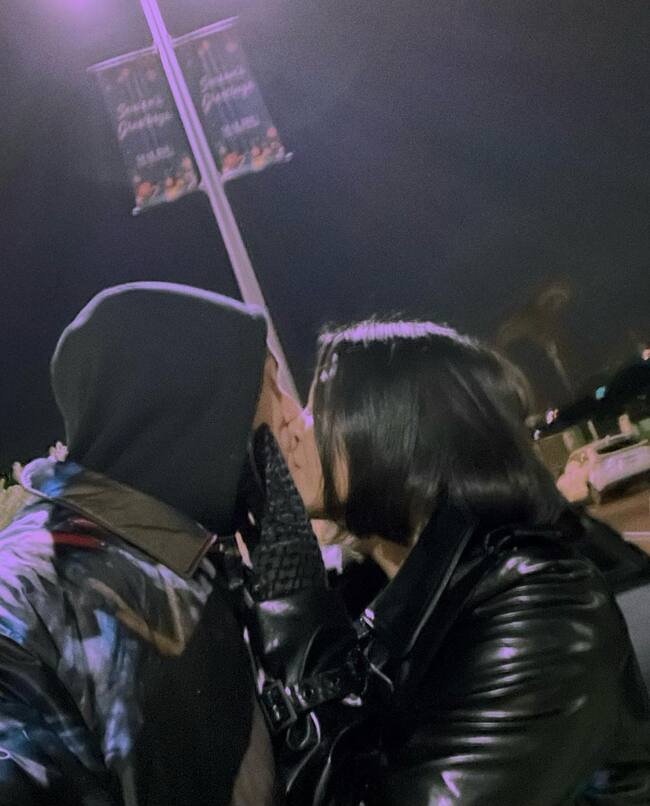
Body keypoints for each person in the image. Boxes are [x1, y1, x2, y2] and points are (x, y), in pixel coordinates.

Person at [280, 319, 650, 805]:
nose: (294, 427)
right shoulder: (372, 595)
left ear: (398, 432)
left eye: (316, 409)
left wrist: (286, 607)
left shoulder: (542, 611)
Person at [0, 281, 287, 805]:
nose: (289, 414)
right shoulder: (24, 593)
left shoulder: (170, 557)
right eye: (269, 386)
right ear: (195, 403)